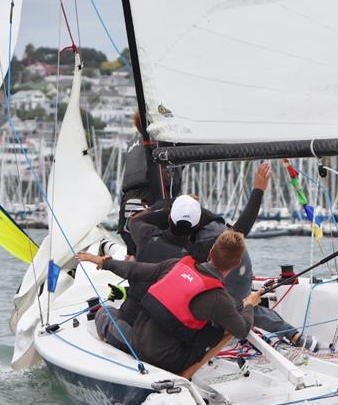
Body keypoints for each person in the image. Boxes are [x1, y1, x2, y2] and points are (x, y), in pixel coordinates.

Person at [123, 164, 318, 351]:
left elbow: (137, 220)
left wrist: (174, 204)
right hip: (237, 266)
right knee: (239, 304)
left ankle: (222, 327)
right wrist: (258, 190)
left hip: (229, 272)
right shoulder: (206, 240)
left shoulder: (152, 237)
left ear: (168, 219)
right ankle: (294, 335)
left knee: (224, 304)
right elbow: (240, 231)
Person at [77, 231, 261, 377]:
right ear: (236, 264)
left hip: (137, 342)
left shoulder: (176, 265)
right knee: (219, 329)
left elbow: (133, 270)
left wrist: (102, 261)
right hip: (168, 361)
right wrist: (250, 304)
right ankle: (185, 375)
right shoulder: (220, 299)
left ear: (211, 252)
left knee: (105, 312)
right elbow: (242, 330)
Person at [117, 110, 182, 256]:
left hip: (128, 209)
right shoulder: (165, 141)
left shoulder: (134, 141)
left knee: (135, 250)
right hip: (149, 202)